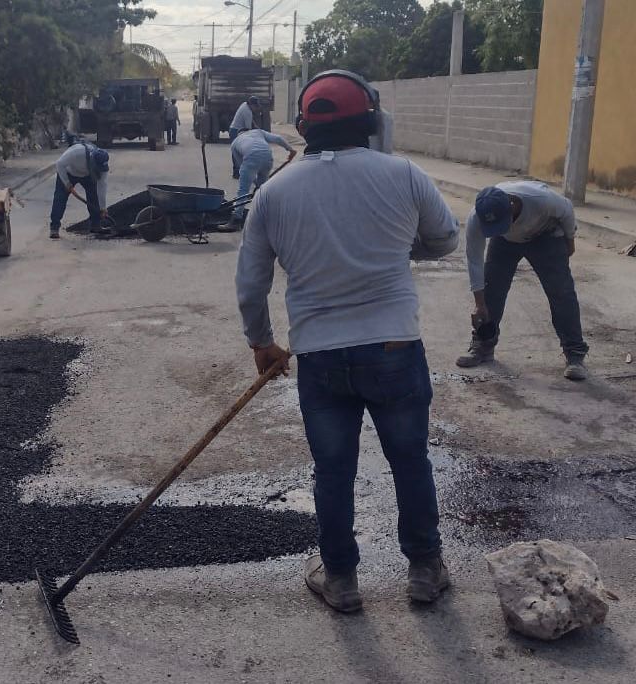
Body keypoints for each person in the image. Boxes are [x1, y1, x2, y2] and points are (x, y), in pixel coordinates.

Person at [235, 70, 459, 613]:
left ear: (304, 125)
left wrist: (262, 343)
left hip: (319, 356)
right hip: (394, 350)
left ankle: (341, 581)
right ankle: (425, 572)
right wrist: (400, 254)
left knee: (333, 471)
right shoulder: (404, 174)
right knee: (410, 462)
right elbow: (446, 239)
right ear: (371, 119)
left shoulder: (273, 193)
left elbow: (250, 284)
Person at [456, 182, 588, 380]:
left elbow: (567, 209)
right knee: (491, 289)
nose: (496, 229)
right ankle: (483, 346)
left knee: (561, 292)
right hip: (506, 243)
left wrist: (570, 241)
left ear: (511, 205)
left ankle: (575, 354)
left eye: (500, 224)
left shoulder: (541, 200)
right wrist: (479, 304)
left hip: (545, 235)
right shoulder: (478, 217)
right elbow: (474, 260)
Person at [226, 128, 295, 230]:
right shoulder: (258, 132)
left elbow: (241, 166)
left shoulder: (235, 142)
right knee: (263, 190)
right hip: (267, 156)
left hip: (251, 157)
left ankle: (236, 219)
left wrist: (254, 181)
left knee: (243, 191)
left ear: (239, 134)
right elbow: (278, 138)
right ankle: (266, 219)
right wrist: (290, 149)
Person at [50, 141, 109, 239]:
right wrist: (67, 183)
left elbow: (102, 186)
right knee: (60, 199)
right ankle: (54, 228)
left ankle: (96, 225)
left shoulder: (102, 166)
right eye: (97, 168)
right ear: (92, 160)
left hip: (88, 176)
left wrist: (103, 208)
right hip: (68, 173)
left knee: (94, 197)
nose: (100, 170)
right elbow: (59, 164)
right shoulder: (77, 153)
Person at [229, 96, 262, 177]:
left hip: (234, 129)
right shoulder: (248, 113)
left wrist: (256, 126)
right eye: (255, 106)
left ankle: (240, 171)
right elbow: (248, 129)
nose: (256, 108)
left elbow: (251, 122)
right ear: (251, 105)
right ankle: (237, 172)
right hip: (236, 132)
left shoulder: (244, 104)